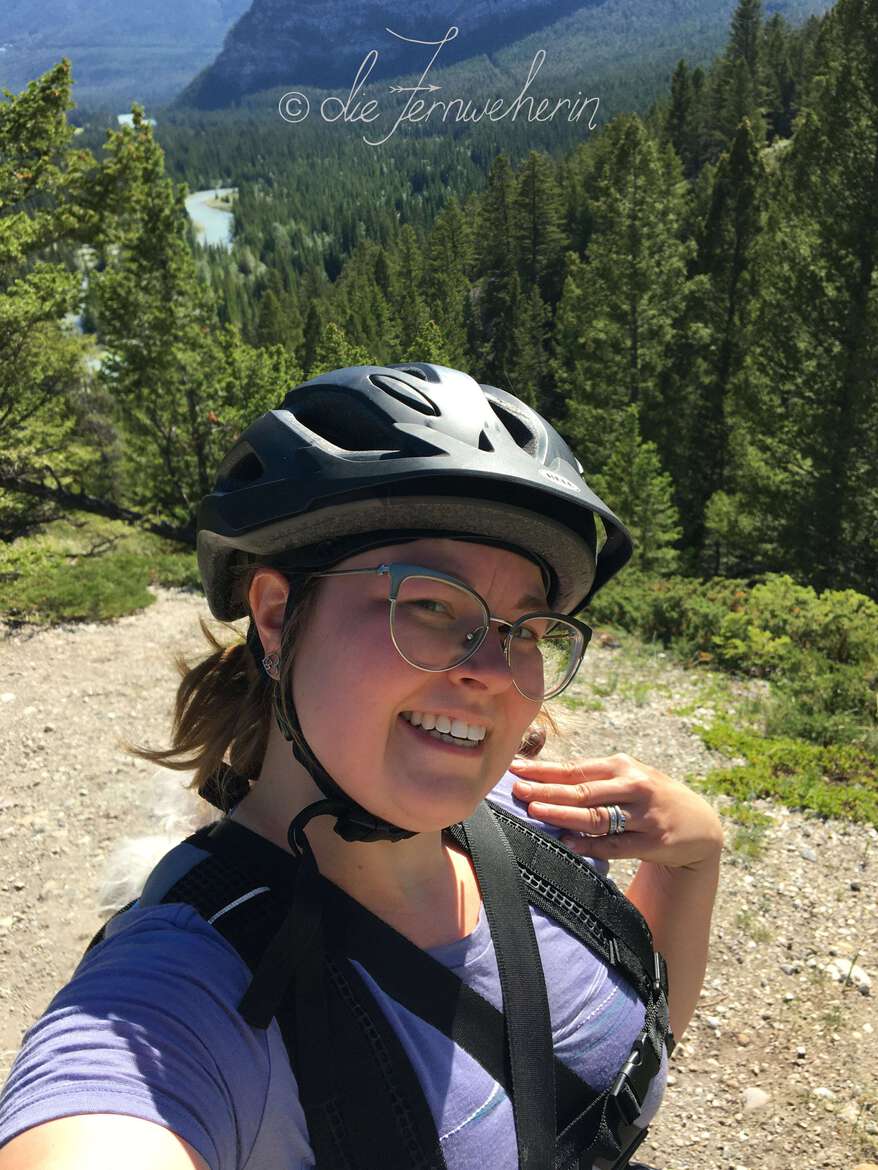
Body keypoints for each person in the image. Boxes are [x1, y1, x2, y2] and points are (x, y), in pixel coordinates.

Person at [0, 363, 723, 1170]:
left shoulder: (536, 822)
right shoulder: (187, 991)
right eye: (430, 603)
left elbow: (611, 1071)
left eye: (524, 628)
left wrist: (695, 861)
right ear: (277, 616)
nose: (490, 668)